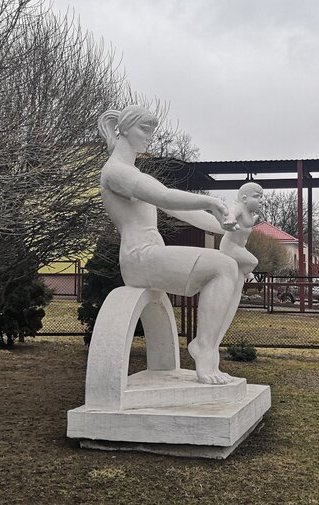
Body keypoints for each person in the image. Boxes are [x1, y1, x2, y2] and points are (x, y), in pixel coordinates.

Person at [97, 105, 241, 385]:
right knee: (223, 267)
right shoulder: (116, 172)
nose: (149, 136)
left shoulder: (132, 173)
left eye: (152, 131)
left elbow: (180, 211)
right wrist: (211, 201)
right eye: (144, 129)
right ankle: (204, 349)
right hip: (139, 257)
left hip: (151, 255)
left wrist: (224, 225)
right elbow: (164, 197)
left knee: (229, 268)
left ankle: (206, 346)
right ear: (124, 129)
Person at [219, 182, 262, 280]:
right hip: (229, 246)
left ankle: (241, 272)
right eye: (256, 197)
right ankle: (241, 272)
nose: (261, 201)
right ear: (244, 199)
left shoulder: (250, 213)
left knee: (251, 262)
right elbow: (231, 212)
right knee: (253, 262)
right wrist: (230, 219)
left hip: (241, 247)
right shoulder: (239, 208)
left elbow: (246, 224)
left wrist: (253, 220)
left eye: (261, 197)